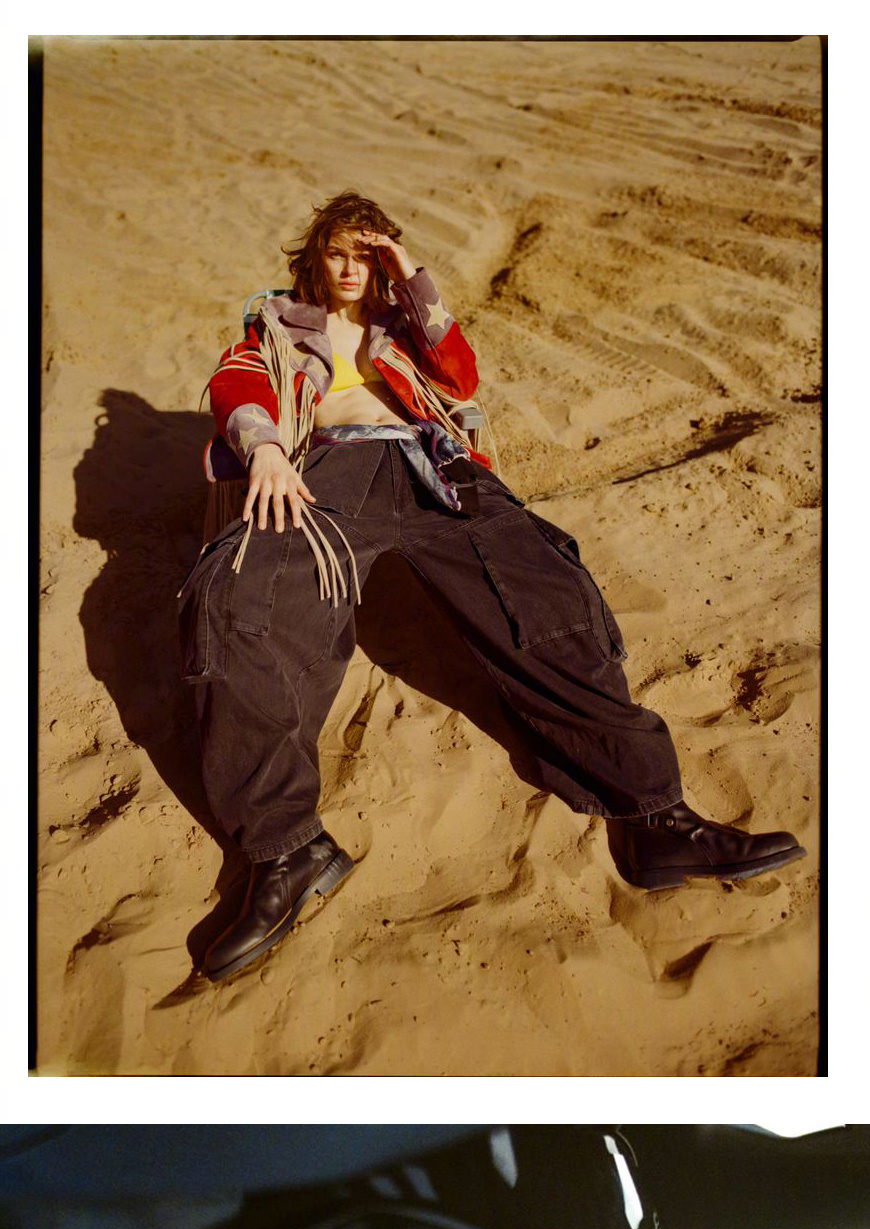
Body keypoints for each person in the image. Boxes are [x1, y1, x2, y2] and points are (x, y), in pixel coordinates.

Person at [180, 189, 803, 983]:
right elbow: (237, 383)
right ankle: (286, 851)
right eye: (337, 252)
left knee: (545, 595)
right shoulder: (276, 323)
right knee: (242, 607)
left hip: (431, 468)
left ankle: (654, 817)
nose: (350, 269)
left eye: (367, 256)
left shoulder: (401, 324)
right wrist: (266, 448)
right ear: (315, 256)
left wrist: (412, 275)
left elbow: (459, 373)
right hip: (325, 474)